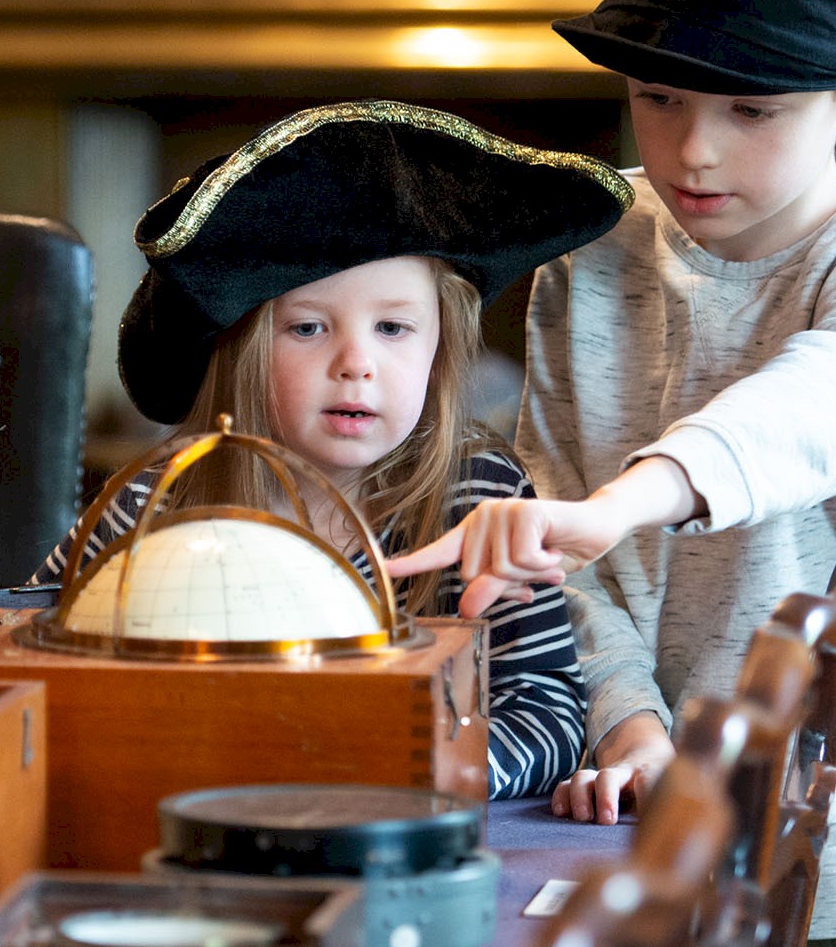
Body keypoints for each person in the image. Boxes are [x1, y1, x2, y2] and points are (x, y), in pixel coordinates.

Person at [386, 0, 836, 947]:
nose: (693, 149)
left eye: (752, 110)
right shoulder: (590, 251)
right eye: (658, 98)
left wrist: (627, 498)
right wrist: (630, 722)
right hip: (632, 821)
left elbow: (818, 400)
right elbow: (561, 538)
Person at [34, 99, 631, 799]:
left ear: (440, 350)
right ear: (243, 353)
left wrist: (429, 770)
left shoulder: (478, 495)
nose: (356, 364)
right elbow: (20, 634)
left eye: (393, 329)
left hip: (392, 830)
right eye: (310, 329)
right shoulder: (160, 497)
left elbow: (548, 711)